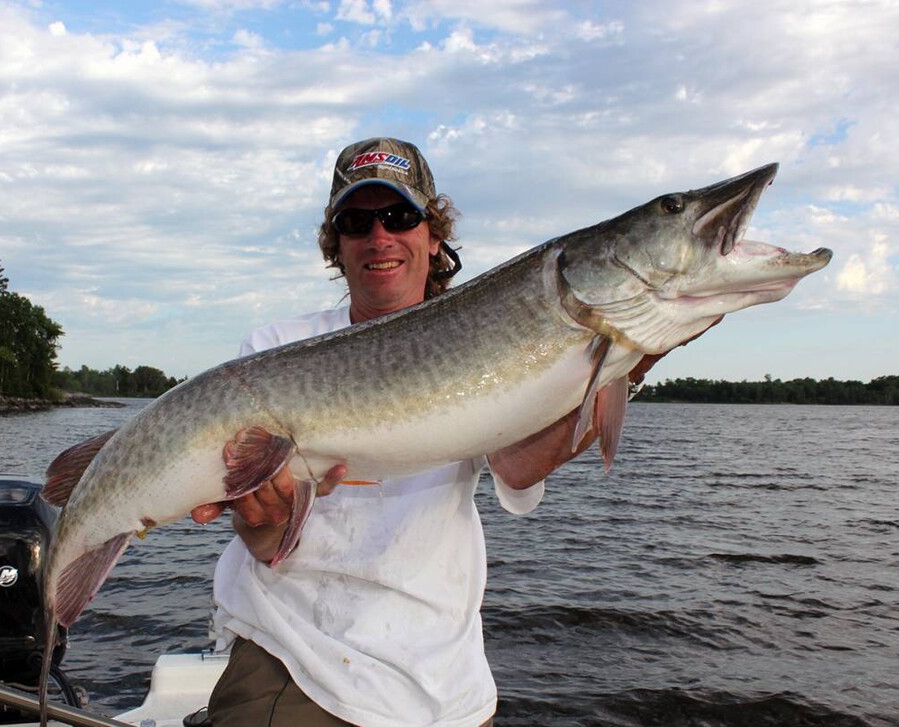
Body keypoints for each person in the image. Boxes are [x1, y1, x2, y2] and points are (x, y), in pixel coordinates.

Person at [190, 137, 607, 726]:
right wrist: (263, 514)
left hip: (444, 682)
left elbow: (517, 467)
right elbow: (263, 543)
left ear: (433, 237)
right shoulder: (273, 351)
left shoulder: (484, 337)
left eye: (401, 216)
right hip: (294, 659)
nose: (379, 237)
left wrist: (623, 362)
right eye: (357, 222)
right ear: (336, 246)